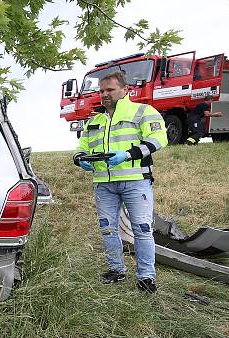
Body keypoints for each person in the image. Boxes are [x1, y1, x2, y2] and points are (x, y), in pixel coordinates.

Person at [72, 71, 168, 293]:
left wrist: (128, 155)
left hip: (135, 181)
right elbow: (81, 147)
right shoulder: (94, 120)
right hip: (103, 184)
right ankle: (116, 269)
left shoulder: (142, 112)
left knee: (142, 229)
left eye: (110, 90)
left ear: (125, 90)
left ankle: (146, 277)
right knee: (107, 229)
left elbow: (158, 139)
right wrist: (80, 159)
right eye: (101, 91)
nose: (104, 94)